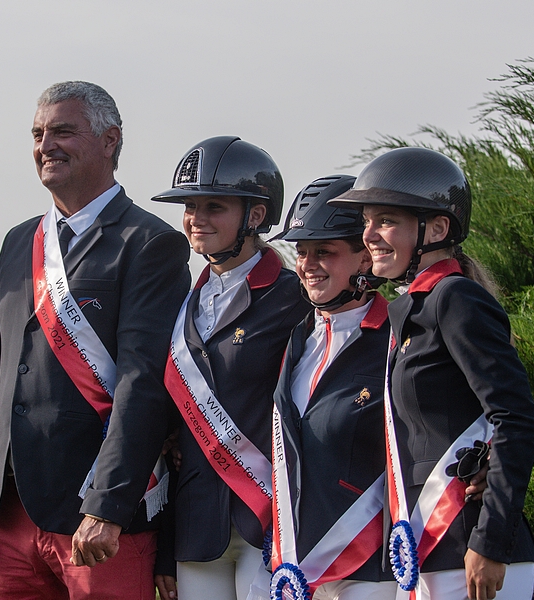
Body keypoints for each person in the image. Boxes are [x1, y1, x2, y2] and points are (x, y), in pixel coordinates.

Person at [0, 81, 191, 600]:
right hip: (13, 511)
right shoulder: (17, 242)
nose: (45, 144)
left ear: (110, 141)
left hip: (98, 519)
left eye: (64, 131)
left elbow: (143, 385)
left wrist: (109, 505)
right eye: (38, 133)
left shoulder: (150, 243)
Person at [330, 147, 534, 600]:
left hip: (472, 548)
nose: (369, 236)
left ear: (437, 228)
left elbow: (516, 417)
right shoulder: (412, 309)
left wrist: (490, 542)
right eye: (366, 221)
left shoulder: (454, 298)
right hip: (427, 545)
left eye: (385, 220)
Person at [150, 136, 310, 600]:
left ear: (255, 216)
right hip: (198, 524)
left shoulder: (293, 297)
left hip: (271, 521)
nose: (196, 219)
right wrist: (165, 548)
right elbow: (172, 430)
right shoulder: (181, 302)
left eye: (213, 206)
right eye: (190, 206)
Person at [252, 174, 397, 600]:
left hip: (373, 564)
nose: (308, 264)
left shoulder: (399, 335)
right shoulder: (299, 337)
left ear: (365, 259)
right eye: (302, 252)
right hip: (299, 561)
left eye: (325, 252)